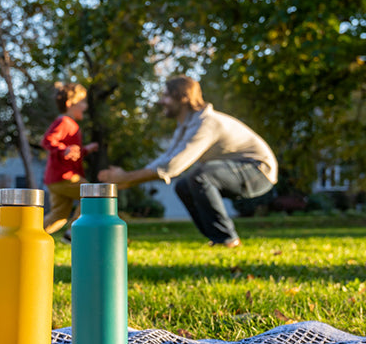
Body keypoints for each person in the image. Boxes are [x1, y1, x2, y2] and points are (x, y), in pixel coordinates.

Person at [98, 75, 277, 247]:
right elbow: (165, 160)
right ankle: (216, 238)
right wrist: (126, 180)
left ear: (182, 98)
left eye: (166, 96)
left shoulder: (207, 123)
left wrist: (126, 177)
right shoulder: (186, 125)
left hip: (258, 172)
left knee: (200, 176)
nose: (161, 101)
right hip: (238, 171)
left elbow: (172, 166)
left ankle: (227, 239)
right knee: (183, 186)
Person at [41, 82, 99, 243]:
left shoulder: (70, 124)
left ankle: (29, 236)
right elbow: (47, 140)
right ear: (69, 104)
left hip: (55, 179)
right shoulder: (64, 122)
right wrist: (63, 150)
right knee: (91, 195)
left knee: (59, 216)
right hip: (64, 177)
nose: (85, 106)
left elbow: (73, 153)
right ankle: (72, 234)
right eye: (82, 102)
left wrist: (86, 149)